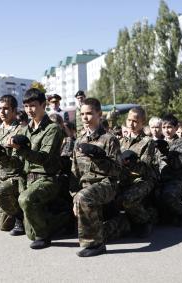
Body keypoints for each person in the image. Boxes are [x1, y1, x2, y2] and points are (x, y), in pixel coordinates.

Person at [10, 88, 70, 249]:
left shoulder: (53, 129)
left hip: (46, 179)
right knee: (30, 233)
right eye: (27, 106)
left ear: (44, 105)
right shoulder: (24, 130)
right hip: (27, 178)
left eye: (33, 106)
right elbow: (16, 161)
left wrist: (21, 150)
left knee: (26, 200)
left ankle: (45, 235)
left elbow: (44, 158)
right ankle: (57, 218)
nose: (29, 110)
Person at [70, 97, 122, 257]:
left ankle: (95, 245)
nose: (85, 118)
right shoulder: (79, 140)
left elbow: (117, 170)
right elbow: (75, 171)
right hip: (87, 186)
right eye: (82, 114)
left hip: (106, 184)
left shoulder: (109, 139)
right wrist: (74, 196)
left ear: (99, 114)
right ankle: (121, 224)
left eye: (89, 113)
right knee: (84, 201)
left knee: (84, 198)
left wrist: (99, 157)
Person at [0, 95, 25, 233]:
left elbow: (18, 163)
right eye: (0, 108)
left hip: (16, 178)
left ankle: (20, 217)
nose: (2, 112)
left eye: (6, 109)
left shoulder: (20, 131)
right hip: (2, 178)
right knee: (3, 226)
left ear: (14, 110)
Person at [117, 107, 157, 237]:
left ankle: (145, 221)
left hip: (143, 179)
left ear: (142, 122)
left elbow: (144, 167)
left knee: (127, 199)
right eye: (129, 120)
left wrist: (130, 163)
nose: (131, 124)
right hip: (123, 178)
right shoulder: (121, 141)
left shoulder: (148, 142)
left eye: (135, 121)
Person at [157, 114, 182, 226]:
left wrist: (165, 152)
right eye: (164, 127)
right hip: (160, 178)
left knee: (168, 195)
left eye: (170, 127)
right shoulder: (157, 142)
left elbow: (176, 164)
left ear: (176, 128)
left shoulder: (180, 143)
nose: (167, 130)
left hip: (176, 178)